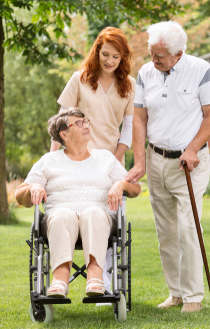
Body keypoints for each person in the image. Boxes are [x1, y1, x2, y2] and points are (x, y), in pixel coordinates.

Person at [124, 21, 210, 313]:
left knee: (189, 227)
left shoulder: (200, 69)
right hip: (156, 159)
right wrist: (140, 160)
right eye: (153, 53)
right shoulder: (145, 73)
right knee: (165, 230)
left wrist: (192, 149)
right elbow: (139, 118)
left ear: (179, 53)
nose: (154, 59)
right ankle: (175, 293)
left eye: (160, 55)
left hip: (189, 163)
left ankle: (193, 297)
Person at [15, 108, 140, 298]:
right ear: (64, 134)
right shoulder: (48, 161)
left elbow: (135, 189)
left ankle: (95, 278)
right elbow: (19, 196)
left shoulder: (105, 158)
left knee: (93, 213)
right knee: (62, 214)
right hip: (59, 219)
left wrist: (122, 184)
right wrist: (32, 187)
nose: (86, 126)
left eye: (86, 122)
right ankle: (59, 281)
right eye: (79, 123)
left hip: (100, 218)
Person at [53, 27, 135, 295]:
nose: (110, 61)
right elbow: (61, 124)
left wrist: (116, 159)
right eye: (105, 54)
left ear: (123, 58)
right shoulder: (80, 79)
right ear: (97, 51)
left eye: (116, 57)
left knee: (108, 224)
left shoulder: (129, 86)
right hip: (75, 158)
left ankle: (103, 287)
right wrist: (54, 159)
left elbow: (129, 128)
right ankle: (65, 280)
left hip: (109, 162)